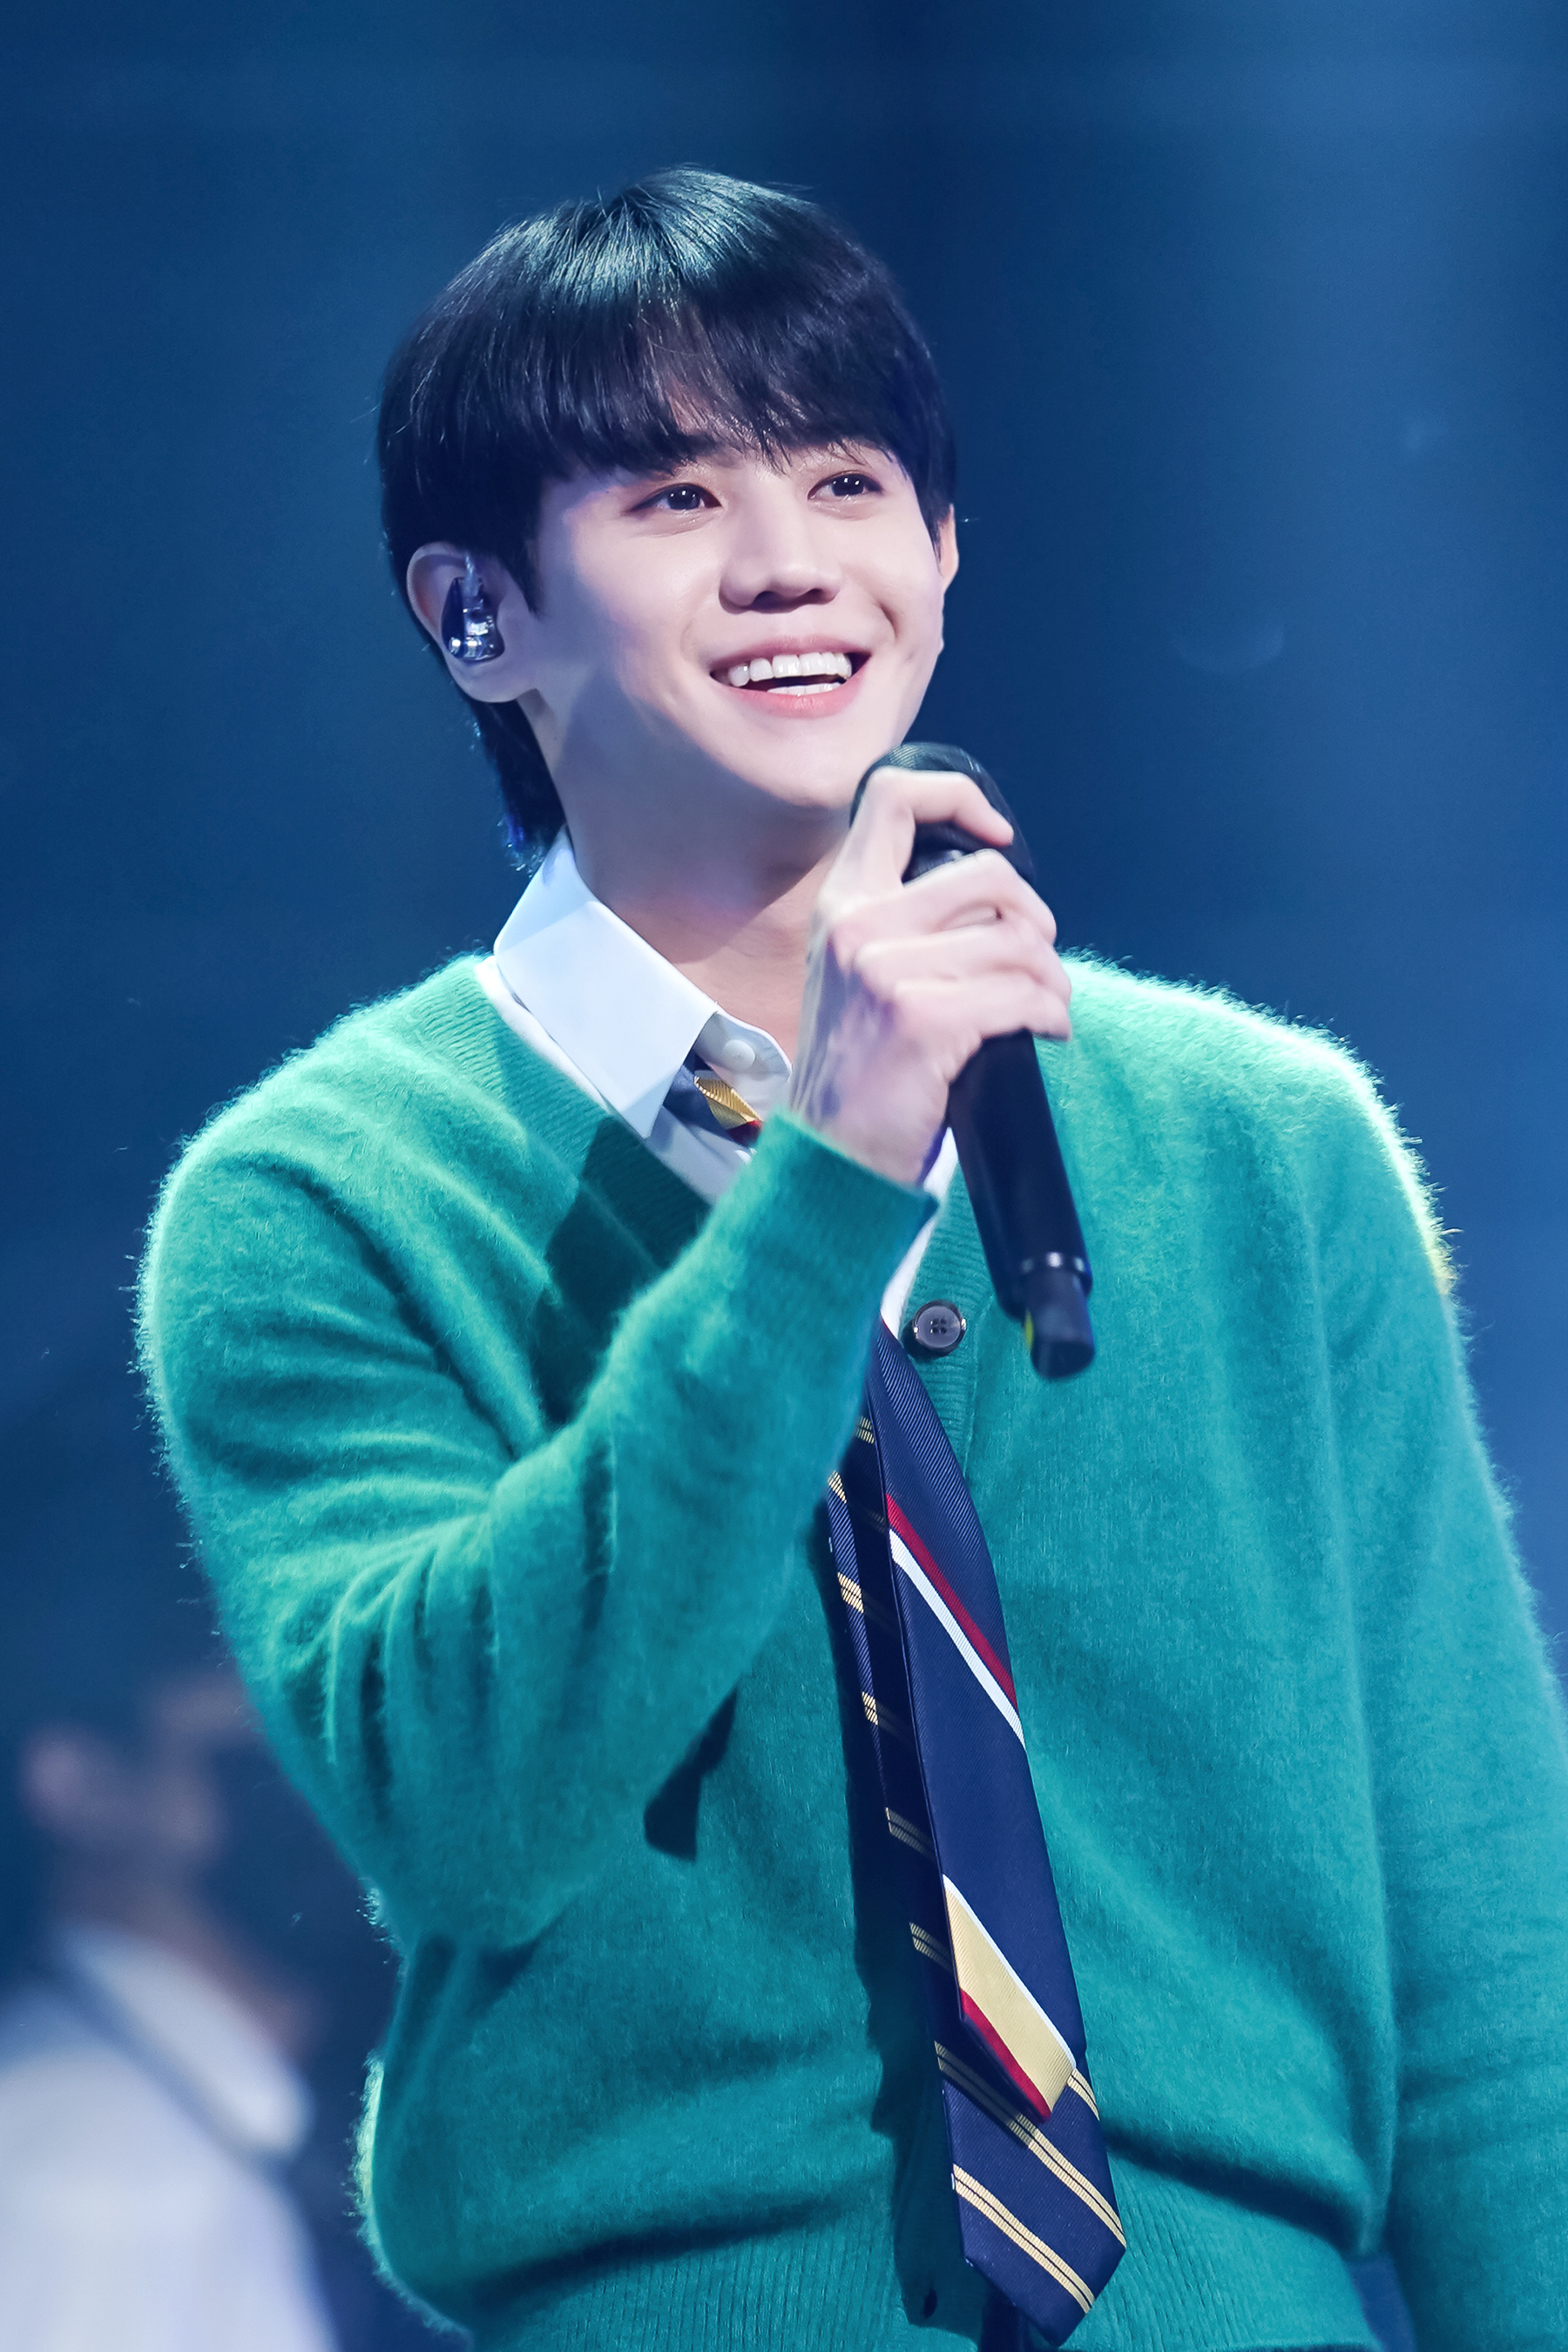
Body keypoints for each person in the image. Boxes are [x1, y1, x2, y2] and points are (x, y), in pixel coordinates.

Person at [137, 168, 1568, 2352]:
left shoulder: (1266, 1149)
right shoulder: (326, 1199)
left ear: (941, 548)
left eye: (846, 480)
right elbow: (470, 1811)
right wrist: (826, 1177)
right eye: (677, 496)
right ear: (477, 614)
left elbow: (1495, 1969)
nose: (790, 560)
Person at [0, 1649, 336, 2352]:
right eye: (262, 1743)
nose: (329, 1797)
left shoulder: (174, 2129)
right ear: (79, 1784)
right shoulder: (98, 2169)